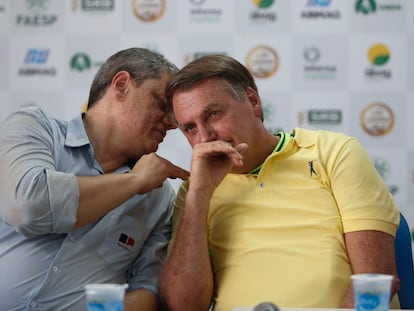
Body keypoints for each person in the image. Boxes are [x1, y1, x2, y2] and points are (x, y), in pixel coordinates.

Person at [159, 54, 401, 311]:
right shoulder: (195, 189)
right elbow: (183, 306)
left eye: (214, 114)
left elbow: (373, 281)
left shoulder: (333, 151)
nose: (205, 137)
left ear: (253, 102)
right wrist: (199, 192)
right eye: (190, 128)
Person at [0, 47, 189, 311]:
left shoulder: (159, 197)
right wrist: (134, 182)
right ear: (121, 85)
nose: (172, 123)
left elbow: (150, 291)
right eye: (161, 104)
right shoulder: (34, 128)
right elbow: (28, 206)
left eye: (176, 117)